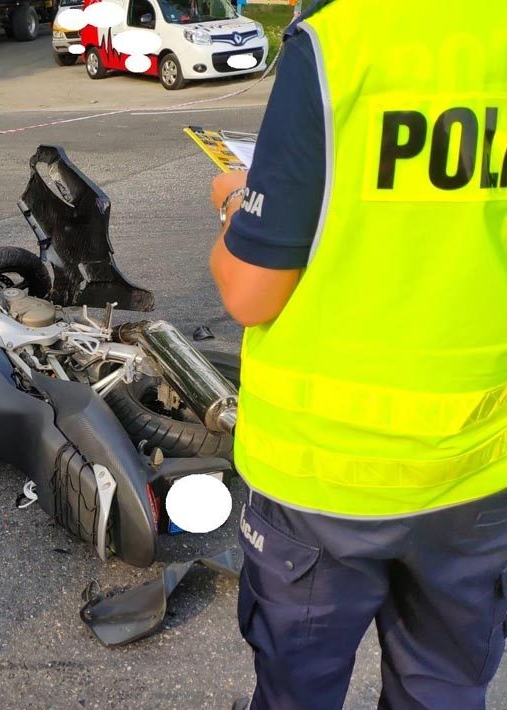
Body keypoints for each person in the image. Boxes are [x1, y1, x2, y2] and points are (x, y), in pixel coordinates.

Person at [208, 3, 507, 709]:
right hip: (477, 464)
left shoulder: (339, 42)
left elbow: (252, 293)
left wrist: (232, 206)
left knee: (297, 692)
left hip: (323, 479)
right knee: (445, 691)